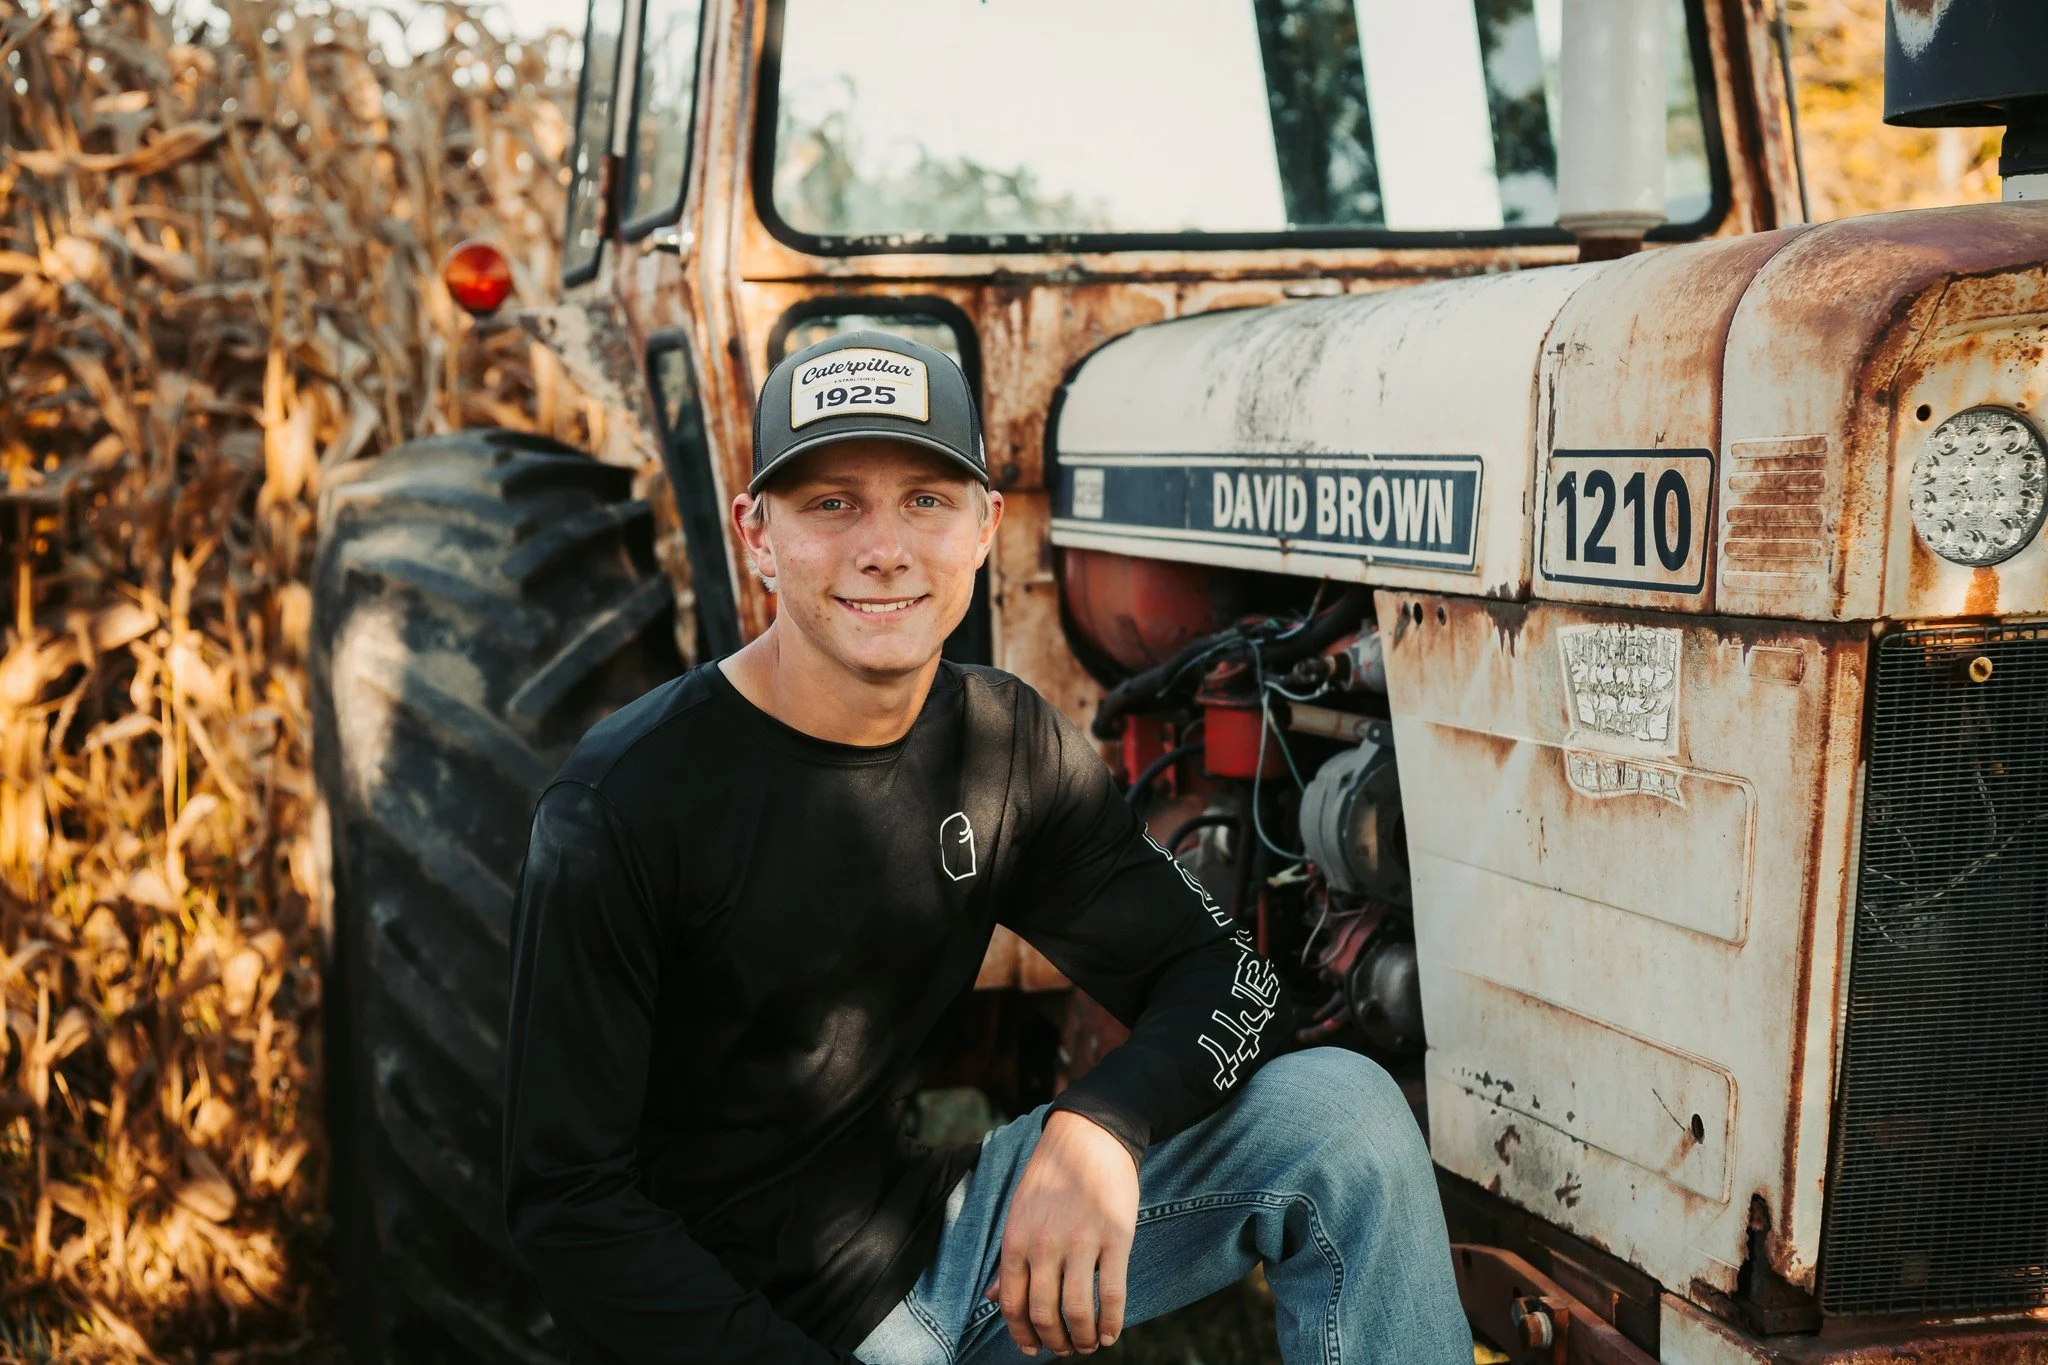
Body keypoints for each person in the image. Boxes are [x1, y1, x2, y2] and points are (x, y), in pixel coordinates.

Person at [500, 331, 1471, 1364]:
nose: (884, 547)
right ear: (755, 533)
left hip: (939, 1249)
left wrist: (1102, 1121)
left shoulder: (999, 746)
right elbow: (567, 1204)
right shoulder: (625, 802)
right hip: (727, 1329)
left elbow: (1224, 977)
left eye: (926, 500)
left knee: (1340, 1117)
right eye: (831, 503)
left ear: (984, 529)